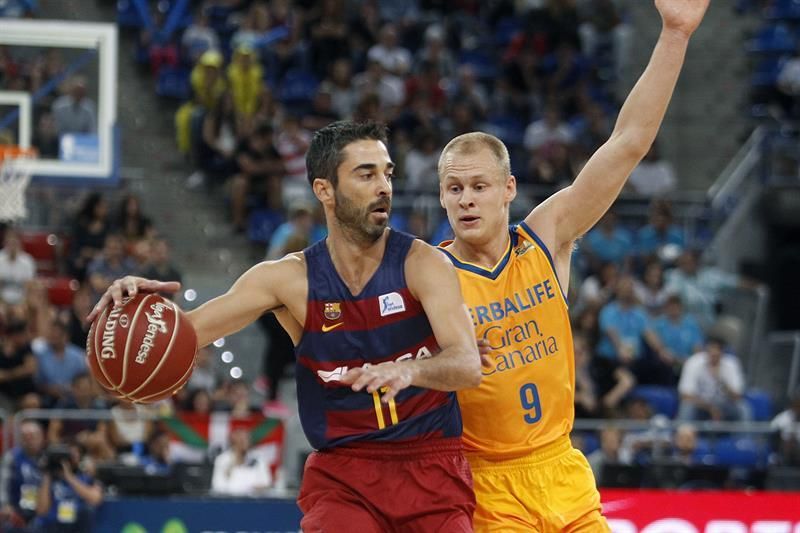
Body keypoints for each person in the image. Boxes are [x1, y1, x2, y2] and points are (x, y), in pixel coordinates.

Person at [89, 121, 482, 531]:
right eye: (366, 175)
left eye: (388, 173)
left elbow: (467, 364)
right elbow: (182, 337)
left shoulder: (423, 263)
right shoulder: (288, 280)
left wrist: (410, 370)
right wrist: (135, 312)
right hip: (345, 479)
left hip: (431, 468)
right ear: (324, 190)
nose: (384, 187)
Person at [434, 1, 709, 530]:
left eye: (479, 186)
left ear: (508, 189)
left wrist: (675, 34)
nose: (466, 199)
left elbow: (627, 145)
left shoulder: (546, 236)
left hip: (563, 468)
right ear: (442, 198)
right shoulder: (432, 274)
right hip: (486, 483)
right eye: (454, 188)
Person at [211, 427, 272, 496]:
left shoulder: (258, 459)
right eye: (242, 441)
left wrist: (250, 489)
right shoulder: (222, 460)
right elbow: (218, 486)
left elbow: (266, 483)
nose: (246, 443)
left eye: (247, 440)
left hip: (254, 499)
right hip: (230, 499)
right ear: (233, 443)